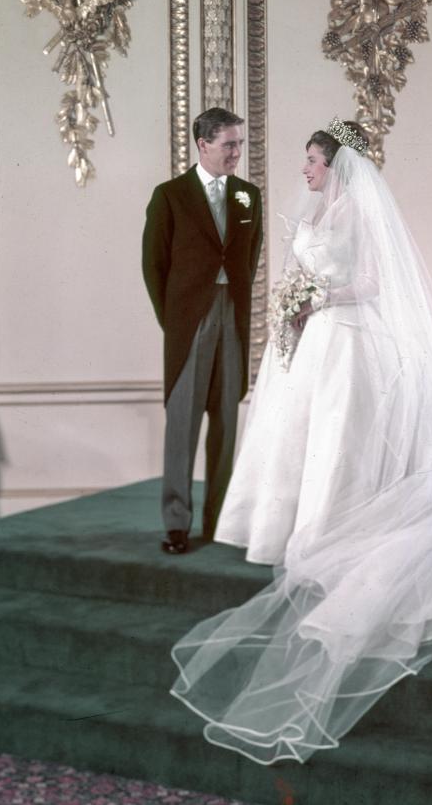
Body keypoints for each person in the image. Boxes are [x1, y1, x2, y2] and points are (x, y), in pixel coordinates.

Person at [170, 118, 432, 762]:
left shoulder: (359, 213)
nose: (305, 168)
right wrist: (297, 306)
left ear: (337, 163)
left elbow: (373, 284)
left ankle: (324, 529)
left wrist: (315, 297)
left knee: (332, 441)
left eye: (314, 160)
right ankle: (283, 527)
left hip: (345, 338)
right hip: (311, 339)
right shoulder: (322, 211)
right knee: (295, 437)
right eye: (307, 160)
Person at [142, 107, 263, 555]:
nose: (237, 152)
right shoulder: (170, 195)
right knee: (183, 424)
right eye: (229, 143)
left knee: (227, 422)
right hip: (189, 320)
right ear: (203, 145)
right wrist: (176, 320)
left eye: (240, 143)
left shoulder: (250, 196)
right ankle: (177, 523)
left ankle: (220, 522)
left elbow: (250, 260)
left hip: (232, 313)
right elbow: (153, 265)